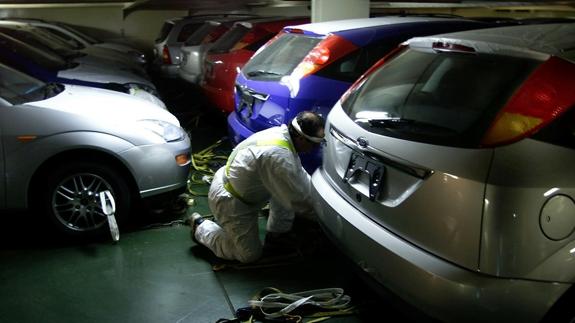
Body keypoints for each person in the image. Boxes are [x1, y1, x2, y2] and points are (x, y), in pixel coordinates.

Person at [189, 111, 325, 264]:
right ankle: (201, 229)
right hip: (231, 202)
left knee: (285, 188)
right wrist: (324, 218)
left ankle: (277, 233)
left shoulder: (282, 136)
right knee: (248, 255)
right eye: (314, 144)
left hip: (238, 187)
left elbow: (299, 177)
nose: (315, 148)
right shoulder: (279, 158)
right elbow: (300, 202)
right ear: (300, 137)